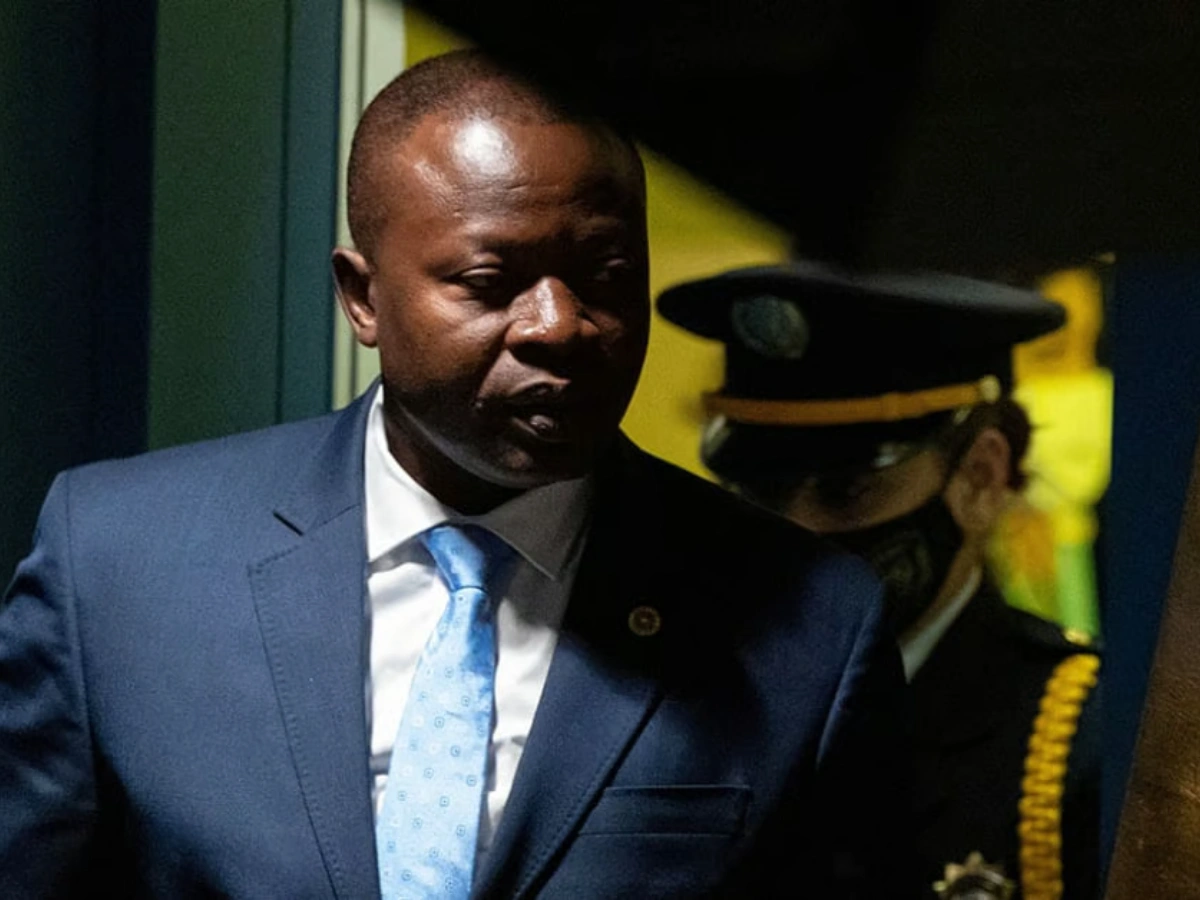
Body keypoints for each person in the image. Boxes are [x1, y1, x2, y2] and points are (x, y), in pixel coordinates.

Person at [0, 52, 913, 898]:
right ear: (362, 297)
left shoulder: (808, 623)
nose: (558, 324)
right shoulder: (118, 567)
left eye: (604, 274)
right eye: (489, 280)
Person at [658, 262, 1101, 900]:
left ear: (981, 478)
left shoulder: (1089, 746)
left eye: (845, 493)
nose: (795, 538)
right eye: (762, 495)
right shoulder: (686, 710)